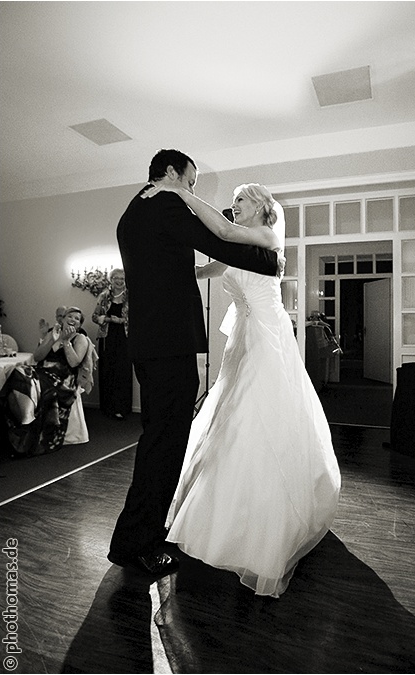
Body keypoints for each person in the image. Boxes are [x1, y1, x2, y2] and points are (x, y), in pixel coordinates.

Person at [140, 181, 341, 597]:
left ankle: (268, 523)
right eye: (232, 202)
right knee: (230, 413)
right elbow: (203, 269)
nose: (234, 207)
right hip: (243, 337)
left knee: (260, 410)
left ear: (262, 206)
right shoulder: (231, 247)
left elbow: (227, 233)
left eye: (241, 200)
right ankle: (218, 515)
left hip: (267, 337)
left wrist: (180, 193)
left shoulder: (265, 236)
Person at [107, 149, 280, 578]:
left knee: (157, 441)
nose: (192, 190)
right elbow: (218, 238)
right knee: (164, 447)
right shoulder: (165, 202)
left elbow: (186, 263)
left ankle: (136, 535)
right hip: (168, 346)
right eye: (192, 181)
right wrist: (269, 256)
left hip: (149, 344)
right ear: (171, 174)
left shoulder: (131, 213)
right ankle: (138, 545)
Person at [6, 307, 95, 456]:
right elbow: (38, 357)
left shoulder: (80, 339)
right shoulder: (53, 333)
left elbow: (74, 363)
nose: (72, 319)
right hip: (43, 371)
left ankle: (30, 432)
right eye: (70, 316)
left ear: (79, 325)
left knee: (30, 380)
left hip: (63, 378)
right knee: (19, 371)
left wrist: (66, 342)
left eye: (76, 319)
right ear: (63, 319)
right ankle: (25, 421)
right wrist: (51, 340)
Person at [91, 268, 132, 420]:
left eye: (122, 278)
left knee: (122, 371)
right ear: (111, 279)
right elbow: (94, 317)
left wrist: (119, 321)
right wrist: (107, 319)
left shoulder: (130, 296)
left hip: (124, 338)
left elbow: (136, 319)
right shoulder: (104, 296)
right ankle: (107, 408)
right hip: (107, 337)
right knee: (107, 370)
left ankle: (122, 408)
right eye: (116, 278)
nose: (119, 281)